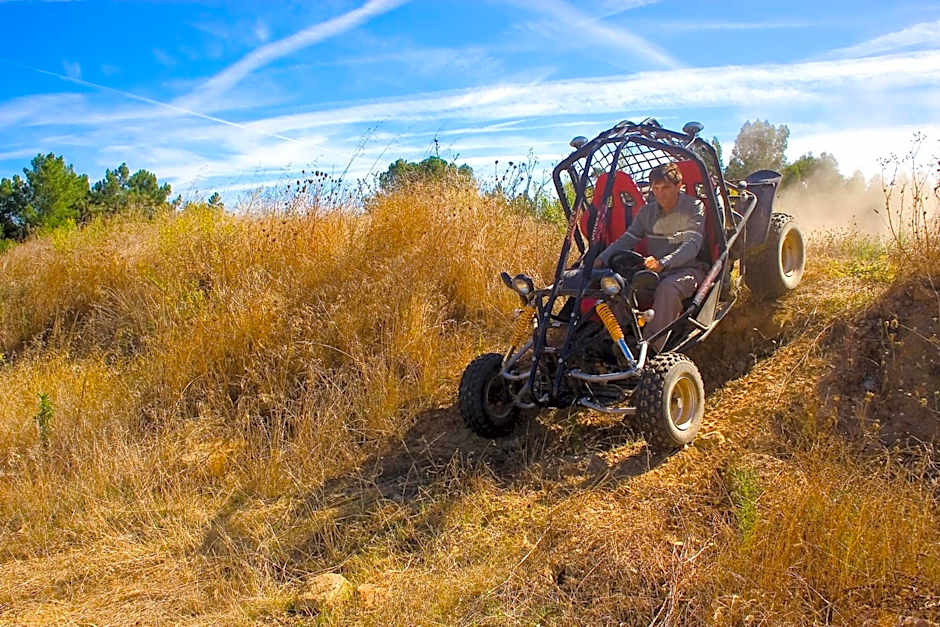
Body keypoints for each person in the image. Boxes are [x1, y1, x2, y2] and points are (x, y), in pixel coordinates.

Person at [593, 162, 706, 351]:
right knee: (621, 288)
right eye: (656, 188)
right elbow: (628, 239)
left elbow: (692, 245)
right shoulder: (647, 212)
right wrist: (602, 258)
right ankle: (612, 341)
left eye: (666, 188)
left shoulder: (693, 207)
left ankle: (650, 349)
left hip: (688, 269)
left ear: (679, 186)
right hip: (655, 270)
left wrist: (663, 262)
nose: (661, 194)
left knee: (668, 289)